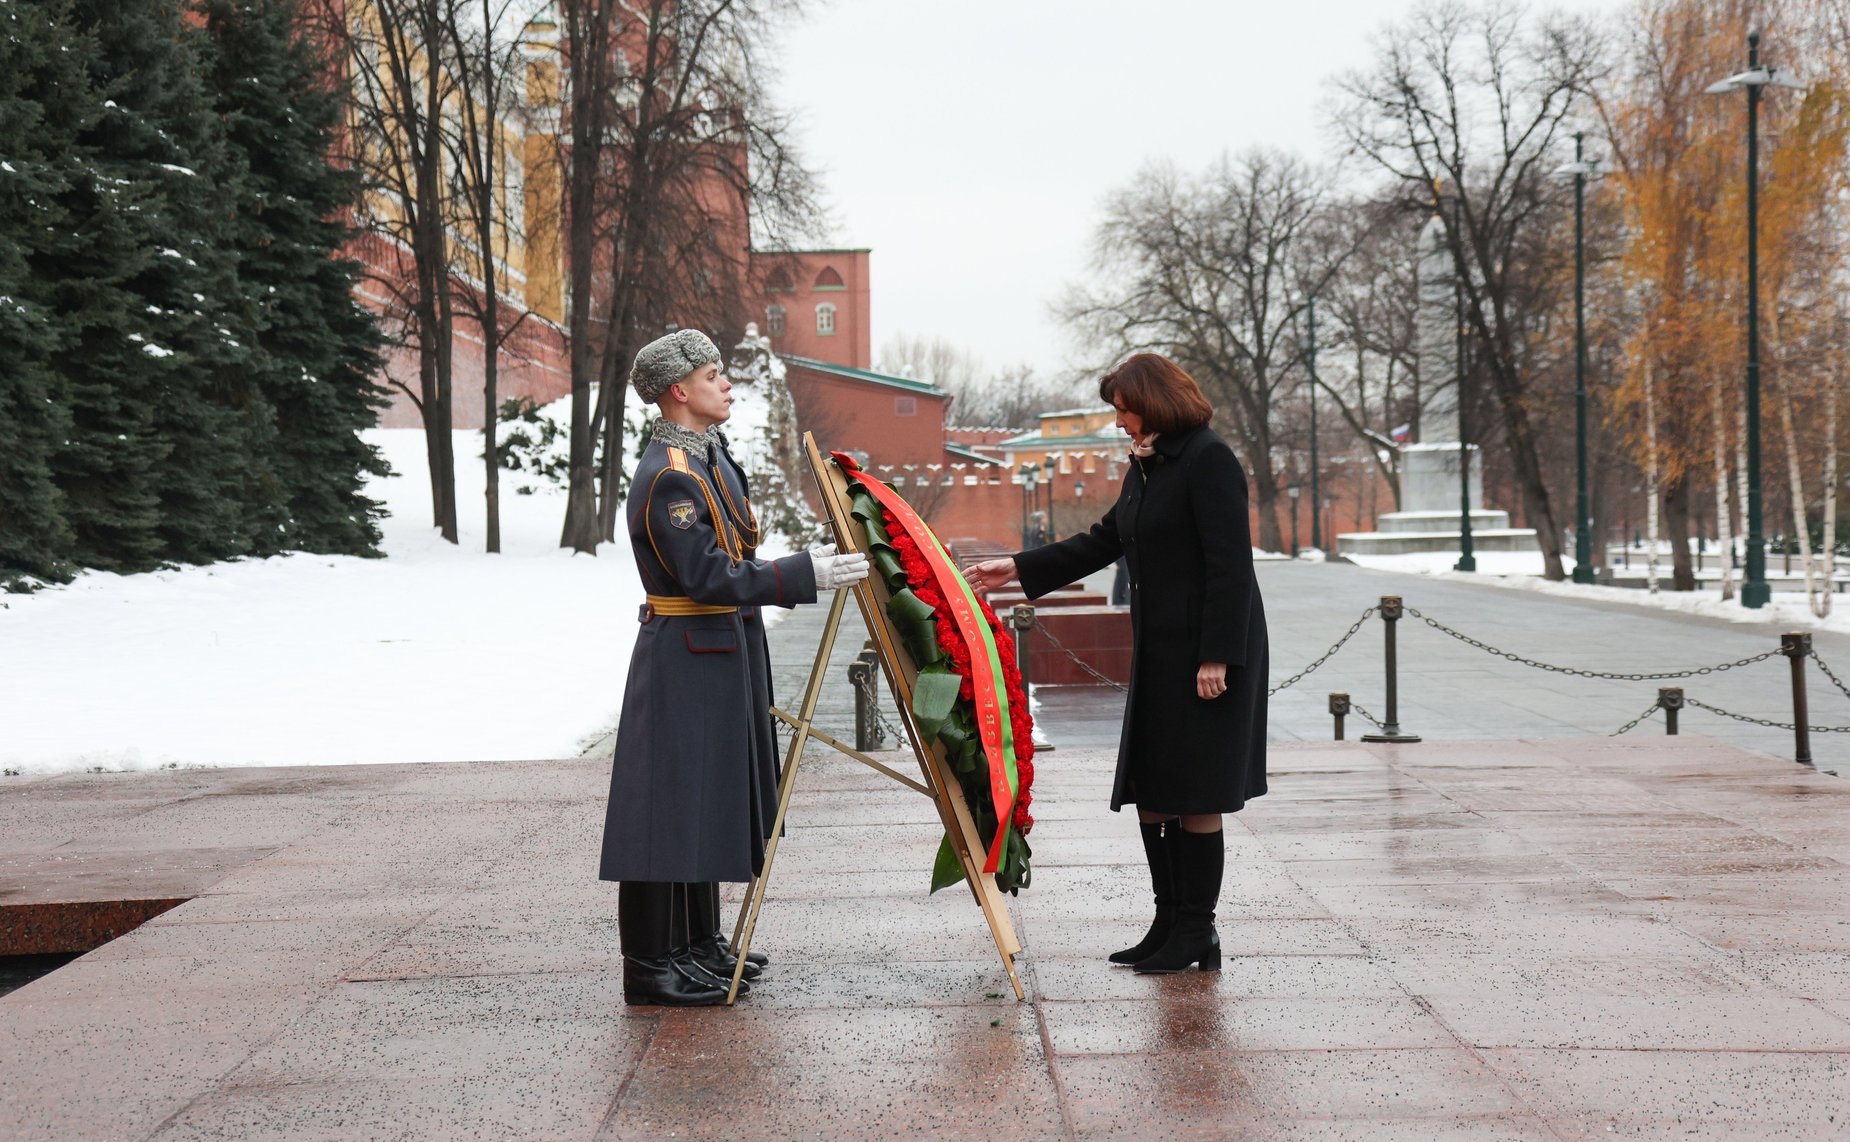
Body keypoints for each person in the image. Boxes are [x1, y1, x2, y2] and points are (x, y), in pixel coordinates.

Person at [964, 353, 1268, 974]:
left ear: (1154, 402)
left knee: (1196, 789)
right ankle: (1167, 921)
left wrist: (1217, 656)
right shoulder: (1148, 465)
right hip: (1160, 649)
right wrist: (1018, 568)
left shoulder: (1207, 459)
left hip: (1207, 651)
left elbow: (1231, 564)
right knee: (1153, 786)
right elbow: (1105, 540)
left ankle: (1196, 930)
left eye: (1124, 409)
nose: (1120, 422)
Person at [598, 329, 869, 1006]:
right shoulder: (669, 474)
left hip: (721, 650)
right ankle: (650, 965)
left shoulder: (708, 456)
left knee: (705, 801)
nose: (727, 383)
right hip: (687, 654)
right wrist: (805, 573)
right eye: (713, 373)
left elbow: (738, 552)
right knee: (667, 812)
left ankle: (695, 946)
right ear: (677, 391)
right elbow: (706, 575)